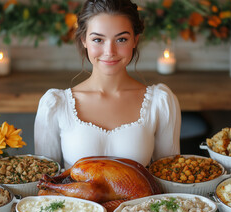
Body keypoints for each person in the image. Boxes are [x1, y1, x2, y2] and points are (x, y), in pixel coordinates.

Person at [34, 0, 181, 169]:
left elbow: (170, 180)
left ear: (135, 40)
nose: (109, 52)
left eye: (121, 39)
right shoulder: (55, 104)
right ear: (84, 40)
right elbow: (43, 183)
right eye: (98, 39)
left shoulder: (161, 101)